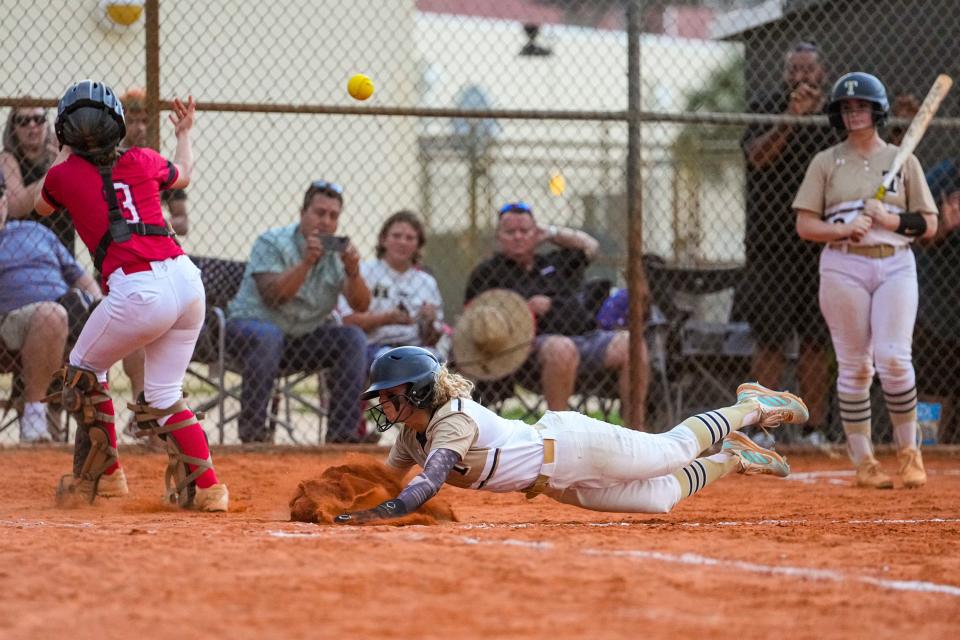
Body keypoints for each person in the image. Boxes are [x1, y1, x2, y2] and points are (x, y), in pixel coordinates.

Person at [331, 346, 808, 524]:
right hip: (552, 483)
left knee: (673, 450)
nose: (381, 404)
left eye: (389, 394)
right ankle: (737, 458)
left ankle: (752, 406)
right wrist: (344, 500)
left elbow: (425, 485)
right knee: (660, 499)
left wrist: (377, 514)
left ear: (416, 393)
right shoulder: (410, 436)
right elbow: (389, 480)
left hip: (574, 446)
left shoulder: (452, 421)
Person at [35, 79, 228, 511]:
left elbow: (43, 207)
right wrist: (184, 133)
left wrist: (64, 154)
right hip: (186, 280)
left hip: (138, 290)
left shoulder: (62, 175)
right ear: (118, 126)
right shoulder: (142, 158)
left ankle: (106, 478)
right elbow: (186, 174)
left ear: (64, 133)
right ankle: (210, 488)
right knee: (163, 394)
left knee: (84, 370)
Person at [795, 71, 939, 489]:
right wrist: (843, 228)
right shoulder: (826, 162)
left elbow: (928, 224)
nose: (854, 113)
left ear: (877, 111)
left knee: (894, 359)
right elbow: (806, 225)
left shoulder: (902, 160)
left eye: (861, 107)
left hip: (895, 262)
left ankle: (910, 453)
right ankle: (865, 461)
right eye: (846, 107)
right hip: (843, 266)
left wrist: (889, 219)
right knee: (856, 365)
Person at [464, 201, 647, 428]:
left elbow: (591, 246)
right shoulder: (488, 272)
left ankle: (635, 430)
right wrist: (522, 311)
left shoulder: (555, 262)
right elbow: (475, 320)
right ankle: (558, 435)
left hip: (584, 336)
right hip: (528, 351)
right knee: (561, 348)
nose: (518, 237)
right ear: (499, 237)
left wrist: (551, 233)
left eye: (525, 230)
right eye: (510, 232)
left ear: (536, 233)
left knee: (632, 343)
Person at [737, 41, 839, 444]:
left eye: (808, 70)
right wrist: (790, 120)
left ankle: (813, 431)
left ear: (822, 73)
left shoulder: (835, 114)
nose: (800, 77)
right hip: (770, 246)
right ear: (784, 74)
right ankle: (764, 429)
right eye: (793, 69)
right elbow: (757, 157)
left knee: (816, 341)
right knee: (771, 341)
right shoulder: (766, 106)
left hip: (820, 245)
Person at [225, 180, 371, 443]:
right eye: (319, 213)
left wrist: (353, 270)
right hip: (248, 332)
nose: (326, 221)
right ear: (302, 213)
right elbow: (274, 297)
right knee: (268, 336)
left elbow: (361, 305)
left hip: (298, 342)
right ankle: (254, 434)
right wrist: (306, 262)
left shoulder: (336, 256)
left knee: (353, 339)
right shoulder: (272, 242)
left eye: (333, 216)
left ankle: (342, 434)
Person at [0, 170, 101, 442]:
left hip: (65, 311)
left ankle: (135, 418)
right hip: (10, 321)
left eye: (0, 197)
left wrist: (101, 303)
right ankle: (34, 419)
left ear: (5, 203)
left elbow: (80, 278)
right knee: (52, 314)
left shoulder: (36, 231)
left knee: (119, 312)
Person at [338, 210, 446, 362]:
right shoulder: (363, 271)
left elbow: (433, 338)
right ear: (383, 240)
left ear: (418, 245)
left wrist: (429, 322)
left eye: (410, 238)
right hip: (374, 345)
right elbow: (347, 321)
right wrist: (385, 319)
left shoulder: (426, 282)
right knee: (398, 364)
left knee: (438, 360)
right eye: (396, 236)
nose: (403, 242)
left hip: (415, 348)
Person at [913, 160, 960, 444]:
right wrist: (944, 225)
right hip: (938, 310)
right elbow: (914, 237)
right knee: (932, 387)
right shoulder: (940, 177)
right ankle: (925, 450)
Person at [1, 105, 75, 254]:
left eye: (39, 119)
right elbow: (16, 206)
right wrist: (55, 170)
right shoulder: (7, 158)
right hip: (24, 248)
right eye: (23, 121)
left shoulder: (59, 150)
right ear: (13, 127)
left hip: (62, 242)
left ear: (47, 123)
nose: (32, 125)